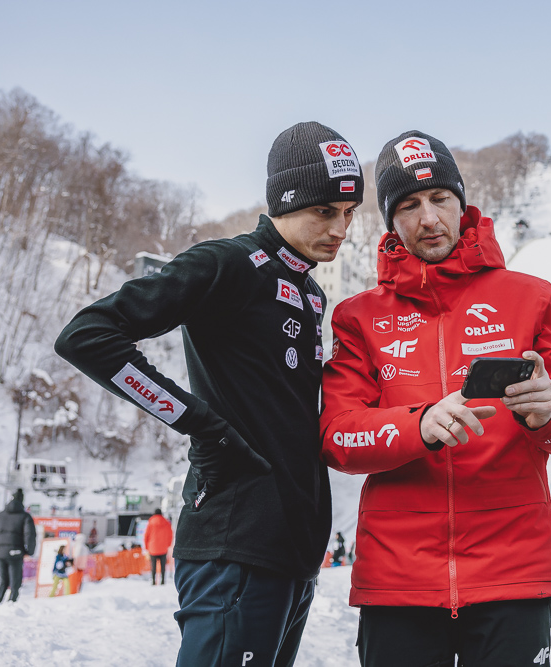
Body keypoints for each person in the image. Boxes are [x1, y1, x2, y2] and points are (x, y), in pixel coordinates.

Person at [55, 121, 362, 666]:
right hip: (233, 542)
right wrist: (201, 426)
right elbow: (87, 337)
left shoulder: (310, 290)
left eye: (349, 212)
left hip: (293, 553)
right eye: (324, 211)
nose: (341, 227)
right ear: (285, 201)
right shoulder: (227, 262)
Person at [320, 131, 551, 666]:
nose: (428, 218)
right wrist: (419, 424)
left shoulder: (533, 297)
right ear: (390, 221)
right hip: (398, 581)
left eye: (439, 199)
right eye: (408, 205)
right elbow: (338, 436)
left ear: (461, 202)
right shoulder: (357, 317)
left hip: (514, 575)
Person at [0, 488, 36, 604]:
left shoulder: (0, 515)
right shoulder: (25, 516)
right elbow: (29, 535)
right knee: (15, 580)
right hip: (15, 552)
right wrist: (30, 551)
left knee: (2, 579)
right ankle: (12, 603)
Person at [143, 509, 174, 585]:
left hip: (152, 548)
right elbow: (170, 534)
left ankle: (153, 581)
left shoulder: (151, 522)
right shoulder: (166, 522)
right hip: (163, 548)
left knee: (153, 565)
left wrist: (146, 547)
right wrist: (168, 544)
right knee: (163, 565)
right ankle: (163, 580)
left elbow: (146, 535)